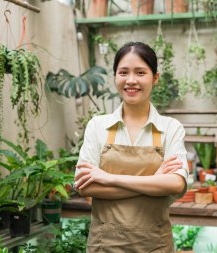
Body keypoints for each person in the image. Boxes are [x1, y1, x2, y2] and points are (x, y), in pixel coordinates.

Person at [74, 41, 188, 252]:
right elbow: (85, 186)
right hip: (104, 245)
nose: (131, 80)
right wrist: (154, 182)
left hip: (155, 245)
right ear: (115, 76)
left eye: (140, 72)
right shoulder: (98, 126)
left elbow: (175, 184)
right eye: (123, 72)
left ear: (155, 78)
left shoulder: (171, 128)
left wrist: (108, 178)